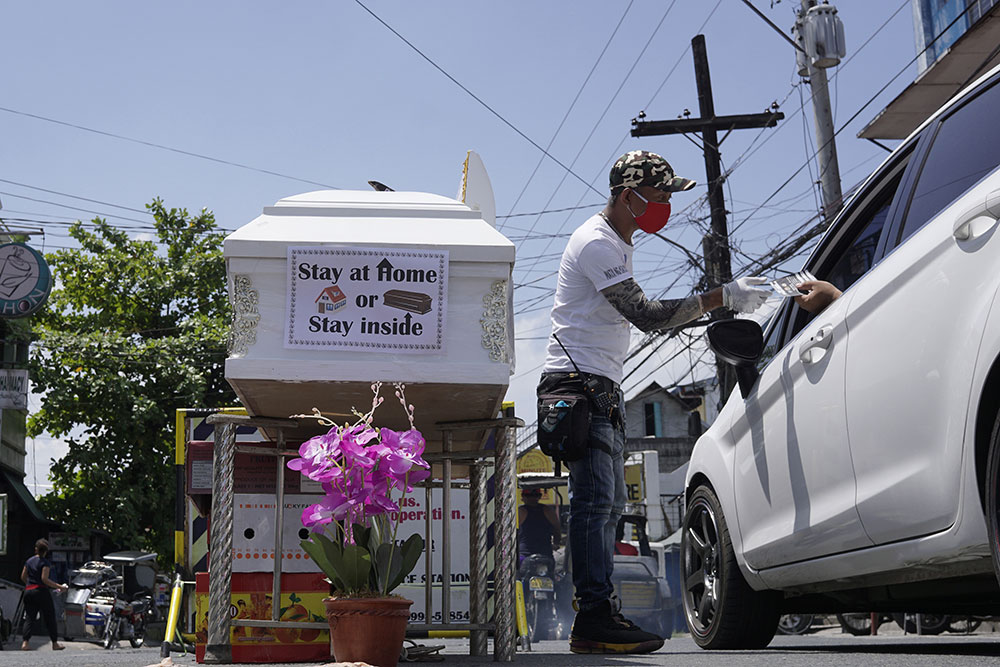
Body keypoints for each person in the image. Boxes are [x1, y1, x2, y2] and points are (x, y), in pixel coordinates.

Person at [539, 150, 770, 655]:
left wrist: (718, 301)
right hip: (579, 388)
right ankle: (594, 617)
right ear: (628, 196)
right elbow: (644, 314)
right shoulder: (597, 243)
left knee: (608, 504)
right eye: (660, 197)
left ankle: (598, 615)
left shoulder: (618, 244)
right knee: (593, 504)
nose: (665, 207)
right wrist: (720, 297)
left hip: (598, 388)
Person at [20, 538, 67, 651]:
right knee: (49, 617)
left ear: (36, 549)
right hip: (41, 591)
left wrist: (29, 584)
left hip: (29, 591)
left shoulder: (29, 561)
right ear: (46, 551)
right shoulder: (45, 563)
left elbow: (23, 577)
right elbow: (44, 579)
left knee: (30, 617)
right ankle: (55, 643)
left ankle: (25, 643)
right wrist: (59, 586)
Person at [518, 487, 561, 566]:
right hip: (545, 555)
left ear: (523, 497)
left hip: (524, 556)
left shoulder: (520, 512)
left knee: (518, 575)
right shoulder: (548, 511)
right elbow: (557, 530)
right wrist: (556, 543)